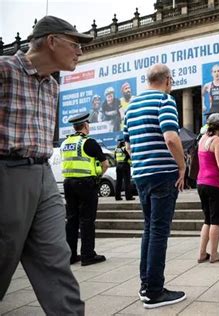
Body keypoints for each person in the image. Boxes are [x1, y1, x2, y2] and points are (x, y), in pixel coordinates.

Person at [0, 15, 88, 314]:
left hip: (43, 176)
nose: (80, 51)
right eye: (75, 44)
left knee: (56, 258)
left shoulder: (52, 86)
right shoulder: (4, 69)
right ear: (52, 41)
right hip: (7, 174)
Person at [124, 64, 187, 308]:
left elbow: (128, 146)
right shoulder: (165, 101)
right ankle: (154, 291)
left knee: (149, 229)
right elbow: (171, 138)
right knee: (159, 231)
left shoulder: (131, 107)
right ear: (168, 80)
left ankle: (146, 285)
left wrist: (142, 161)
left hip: (141, 175)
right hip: (162, 174)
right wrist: (182, 166)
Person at [61, 113, 109, 266]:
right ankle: (88, 255)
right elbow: (105, 164)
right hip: (86, 184)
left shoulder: (65, 143)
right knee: (87, 220)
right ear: (86, 125)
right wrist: (97, 177)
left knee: (71, 220)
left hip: (68, 183)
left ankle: (71, 256)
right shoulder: (89, 143)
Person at [196, 113, 219, 264]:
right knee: (216, 221)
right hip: (215, 184)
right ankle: (214, 254)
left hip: (201, 183)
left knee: (207, 220)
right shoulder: (217, 140)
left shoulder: (202, 139)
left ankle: (201, 254)